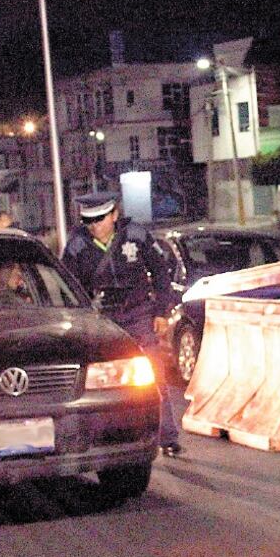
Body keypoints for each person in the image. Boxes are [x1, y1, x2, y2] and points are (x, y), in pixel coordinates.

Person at [61, 192, 183, 456]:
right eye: (88, 221)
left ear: (114, 214)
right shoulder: (77, 246)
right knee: (102, 381)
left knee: (153, 376)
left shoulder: (136, 236)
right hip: (103, 321)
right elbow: (69, 287)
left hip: (139, 314)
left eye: (100, 219)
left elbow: (160, 273)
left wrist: (161, 312)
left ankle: (167, 437)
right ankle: (106, 438)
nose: (94, 226)